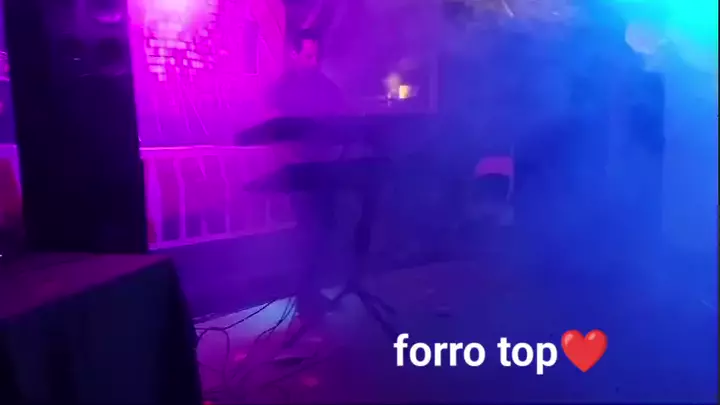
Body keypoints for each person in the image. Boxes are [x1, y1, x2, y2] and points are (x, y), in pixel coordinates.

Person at [268, 30, 348, 323]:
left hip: (324, 172)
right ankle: (306, 298)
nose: (313, 62)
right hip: (300, 173)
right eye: (307, 56)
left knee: (325, 232)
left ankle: (314, 293)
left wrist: (336, 154)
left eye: (316, 56)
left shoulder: (328, 88)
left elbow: (343, 123)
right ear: (294, 54)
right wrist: (292, 160)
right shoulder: (283, 89)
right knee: (306, 234)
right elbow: (274, 128)